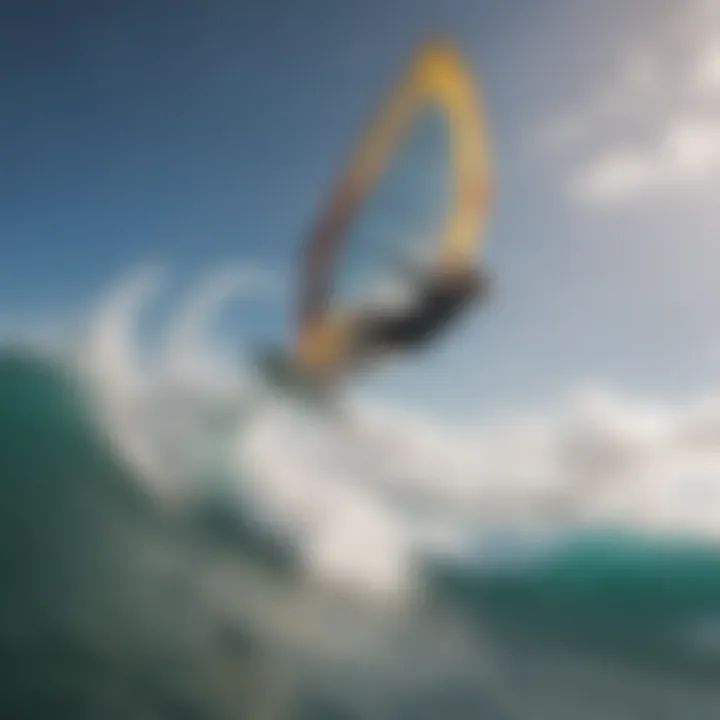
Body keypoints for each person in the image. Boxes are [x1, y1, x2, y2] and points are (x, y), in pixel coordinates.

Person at [345, 262, 492, 369]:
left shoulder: (451, 299)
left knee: (369, 327)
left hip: (413, 331)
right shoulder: (455, 300)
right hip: (416, 334)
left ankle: (346, 356)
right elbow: (430, 291)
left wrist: (411, 272)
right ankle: (352, 355)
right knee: (371, 330)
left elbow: (430, 290)